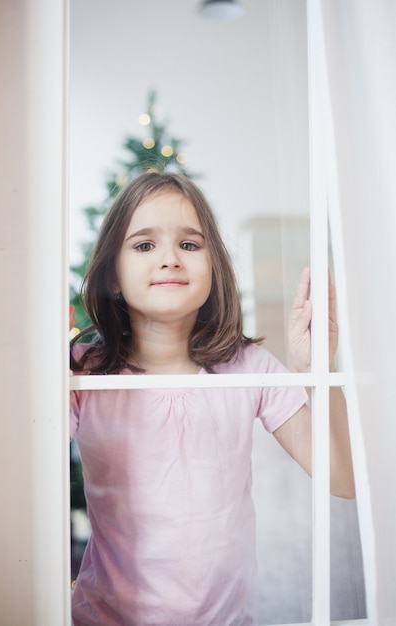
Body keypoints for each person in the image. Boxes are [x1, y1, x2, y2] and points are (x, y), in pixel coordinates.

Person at [70, 171, 355, 626]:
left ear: (214, 267)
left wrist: (319, 370)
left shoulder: (249, 367)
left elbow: (344, 479)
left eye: (189, 244)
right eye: (145, 246)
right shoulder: (82, 371)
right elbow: (23, 475)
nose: (169, 260)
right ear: (114, 277)